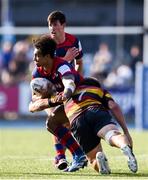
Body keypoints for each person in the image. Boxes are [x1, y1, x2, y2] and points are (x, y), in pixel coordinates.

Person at [30, 76, 138, 174]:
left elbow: (46, 104)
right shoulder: (99, 90)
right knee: (111, 135)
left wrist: (33, 105)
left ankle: (99, 162)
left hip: (76, 120)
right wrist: (126, 132)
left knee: (92, 159)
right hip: (95, 111)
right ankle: (123, 146)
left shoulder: (69, 92)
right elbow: (113, 106)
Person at [46, 10, 109, 172]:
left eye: (55, 24)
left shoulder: (74, 41)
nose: (52, 28)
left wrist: (76, 81)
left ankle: (66, 155)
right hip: (50, 86)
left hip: (68, 86)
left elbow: (79, 62)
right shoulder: (46, 44)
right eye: (49, 25)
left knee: (63, 121)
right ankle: (61, 155)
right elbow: (45, 71)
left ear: (63, 25)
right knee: (54, 118)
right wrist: (65, 60)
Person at [29, 35, 88, 172]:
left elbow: (69, 83)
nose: (34, 59)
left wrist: (65, 93)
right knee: (52, 121)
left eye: (37, 55)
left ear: (47, 56)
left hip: (83, 98)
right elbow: (33, 103)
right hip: (69, 102)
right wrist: (49, 101)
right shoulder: (37, 73)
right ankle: (73, 155)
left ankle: (72, 155)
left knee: (54, 121)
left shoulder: (61, 65)